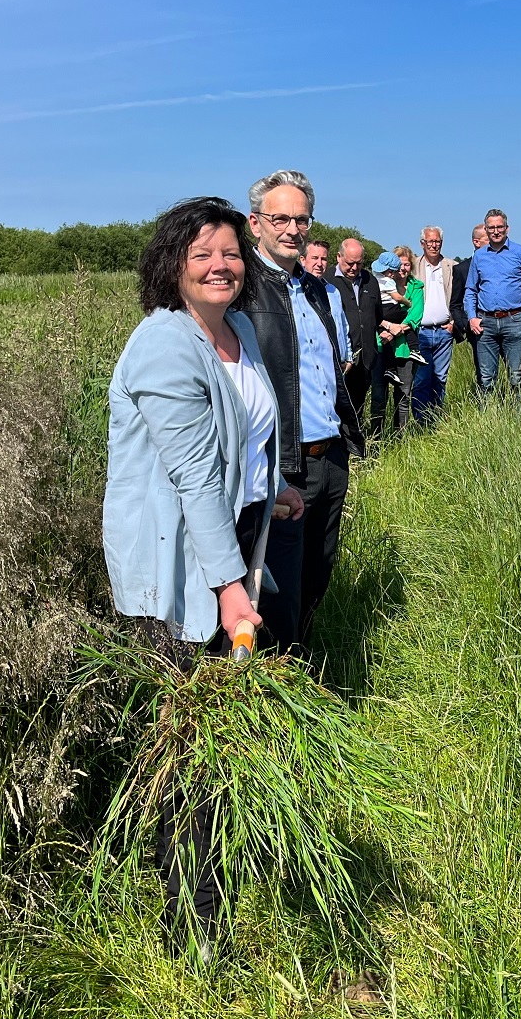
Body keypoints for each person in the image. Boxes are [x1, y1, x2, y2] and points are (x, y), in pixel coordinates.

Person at [104, 196, 307, 956]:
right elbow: (191, 476)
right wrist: (230, 591)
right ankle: (190, 925)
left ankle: (220, 868)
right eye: (202, 256)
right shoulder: (165, 345)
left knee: (227, 730)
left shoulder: (240, 330)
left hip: (237, 543)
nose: (221, 266)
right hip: (181, 567)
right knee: (191, 742)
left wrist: (270, 489)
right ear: (173, 267)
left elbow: (241, 438)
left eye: (229, 253)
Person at [242, 169, 364, 653]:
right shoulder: (243, 290)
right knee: (276, 593)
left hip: (330, 457)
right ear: (256, 223)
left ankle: (307, 673)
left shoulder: (316, 288)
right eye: (281, 219)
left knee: (318, 575)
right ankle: (277, 692)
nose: (293, 229)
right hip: (281, 466)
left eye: (302, 219)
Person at [464, 208, 521, 398]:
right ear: (486, 230)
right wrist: (472, 317)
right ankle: (487, 419)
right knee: (486, 378)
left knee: (517, 376)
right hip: (485, 322)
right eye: (491, 228)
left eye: (499, 227)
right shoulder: (479, 256)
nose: (496, 231)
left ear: (507, 228)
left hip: (514, 319)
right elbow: (471, 289)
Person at [325, 238, 382, 421]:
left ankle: (357, 447)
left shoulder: (370, 280)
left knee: (358, 411)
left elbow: (377, 315)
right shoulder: (326, 280)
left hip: (365, 360)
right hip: (338, 361)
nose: (354, 268)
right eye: (350, 263)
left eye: (359, 263)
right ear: (339, 257)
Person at [372, 247, 423, 433]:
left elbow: (415, 316)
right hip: (381, 345)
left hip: (404, 348)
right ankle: (377, 437)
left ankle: (400, 436)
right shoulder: (377, 284)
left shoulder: (416, 287)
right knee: (379, 395)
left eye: (406, 264)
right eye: (400, 264)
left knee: (403, 396)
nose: (403, 268)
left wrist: (391, 331)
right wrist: (385, 328)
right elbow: (372, 311)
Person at [411, 226, 456, 421]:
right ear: (422, 244)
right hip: (420, 332)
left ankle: (435, 419)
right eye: (430, 241)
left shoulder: (451, 266)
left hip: (445, 332)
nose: (434, 245)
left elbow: (459, 297)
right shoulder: (413, 267)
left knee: (440, 379)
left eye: (437, 241)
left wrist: (455, 321)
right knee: (421, 380)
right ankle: (421, 421)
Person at [304, 238, 354, 371]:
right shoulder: (297, 290)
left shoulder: (333, 291)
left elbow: (343, 326)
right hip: (313, 367)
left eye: (324, 259)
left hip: (339, 364)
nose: (319, 264)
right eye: (315, 258)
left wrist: (348, 357)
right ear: (303, 260)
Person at [448, 222, 485, 382]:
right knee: (483, 371)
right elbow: (455, 303)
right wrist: (466, 325)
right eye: (488, 238)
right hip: (476, 328)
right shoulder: (462, 269)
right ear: (476, 242)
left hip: (504, 323)